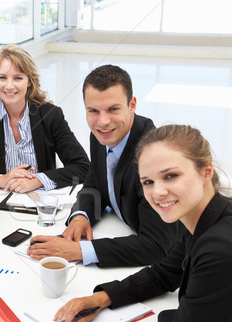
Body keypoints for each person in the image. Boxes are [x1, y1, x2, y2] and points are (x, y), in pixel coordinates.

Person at [53, 125, 232, 322]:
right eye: (148, 182)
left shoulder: (221, 250)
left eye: (171, 176)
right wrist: (103, 298)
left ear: (206, 171)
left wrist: (170, 317)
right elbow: (166, 272)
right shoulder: (215, 213)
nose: (158, 192)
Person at [28, 64, 177, 267]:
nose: (103, 121)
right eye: (93, 111)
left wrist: (78, 250)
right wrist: (81, 216)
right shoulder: (101, 135)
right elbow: (94, 185)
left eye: (113, 109)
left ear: (132, 105)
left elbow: (156, 246)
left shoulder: (153, 156)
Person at [0, 44, 89, 193]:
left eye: (18, 78)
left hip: (40, 201)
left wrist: (38, 180)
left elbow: (83, 167)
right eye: (2, 77)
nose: (9, 86)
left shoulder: (51, 115)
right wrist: (0, 179)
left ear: (29, 81)